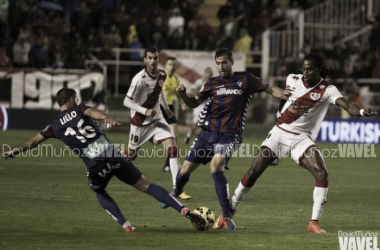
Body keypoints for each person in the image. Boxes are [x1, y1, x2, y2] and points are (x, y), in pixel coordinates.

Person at [2, 88, 206, 232]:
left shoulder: (53, 125)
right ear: (72, 99)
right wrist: (105, 117)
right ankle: (183, 209)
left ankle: (126, 225)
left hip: (94, 165)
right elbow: (92, 112)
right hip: (113, 154)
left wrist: (14, 151)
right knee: (146, 185)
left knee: (99, 190)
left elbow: (32, 142)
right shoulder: (79, 108)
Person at [228, 53, 378, 233]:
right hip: (280, 134)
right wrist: (279, 115)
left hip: (301, 138)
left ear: (319, 70)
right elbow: (284, 97)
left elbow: (347, 106)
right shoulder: (292, 79)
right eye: (304, 69)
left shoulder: (327, 89)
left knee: (321, 172)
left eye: (310, 69)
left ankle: (313, 222)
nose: (305, 72)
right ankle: (229, 210)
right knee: (253, 172)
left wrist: (361, 112)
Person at [163, 48, 289, 231]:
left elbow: (271, 89)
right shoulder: (212, 83)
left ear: (231, 62)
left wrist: (283, 94)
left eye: (224, 62)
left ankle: (227, 216)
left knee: (216, 165)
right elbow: (194, 102)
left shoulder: (246, 79)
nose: (221, 66)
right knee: (185, 169)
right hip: (207, 133)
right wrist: (182, 94)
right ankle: (175, 192)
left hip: (231, 134)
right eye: (218, 63)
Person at [123, 46, 191, 201]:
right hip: (140, 122)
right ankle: (110, 162)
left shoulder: (162, 74)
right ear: (145, 60)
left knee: (173, 148)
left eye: (155, 58)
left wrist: (166, 110)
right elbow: (126, 101)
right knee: (131, 156)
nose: (153, 61)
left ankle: (177, 188)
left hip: (158, 119)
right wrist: (144, 111)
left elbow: (159, 91)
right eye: (150, 58)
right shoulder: (139, 79)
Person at [160, 57, 187, 172]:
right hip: (159, 108)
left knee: (174, 136)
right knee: (159, 138)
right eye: (170, 64)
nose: (172, 67)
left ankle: (168, 165)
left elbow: (178, 94)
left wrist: (182, 103)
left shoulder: (175, 79)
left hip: (169, 108)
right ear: (165, 66)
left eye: (174, 65)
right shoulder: (160, 77)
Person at [184, 66, 213, 144]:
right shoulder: (200, 82)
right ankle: (189, 135)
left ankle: (207, 139)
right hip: (199, 105)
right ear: (205, 73)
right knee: (196, 123)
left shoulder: (213, 83)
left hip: (208, 105)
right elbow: (192, 90)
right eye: (207, 73)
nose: (209, 75)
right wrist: (198, 95)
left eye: (210, 73)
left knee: (210, 122)